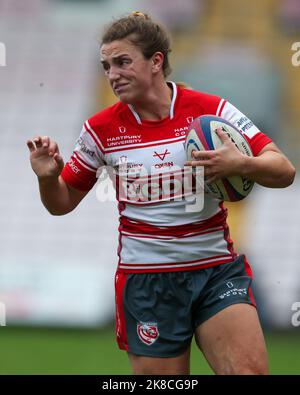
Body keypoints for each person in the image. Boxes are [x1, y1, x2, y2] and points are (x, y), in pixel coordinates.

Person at [27, 12, 296, 375]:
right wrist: (48, 178)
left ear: (156, 61)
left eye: (123, 62)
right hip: (148, 283)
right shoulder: (100, 129)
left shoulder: (209, 109)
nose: (113, 74)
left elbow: (283, 170)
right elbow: (61, 204)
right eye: (106, 65)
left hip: (215, 272)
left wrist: (240, 163)